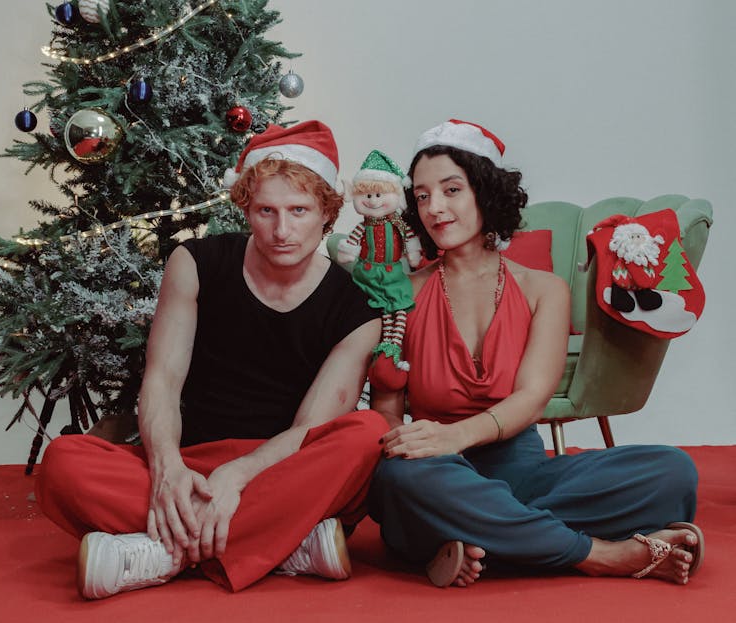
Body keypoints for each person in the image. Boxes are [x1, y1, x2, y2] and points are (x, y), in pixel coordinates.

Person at [35, 120, 387, 599]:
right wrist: (167, 471)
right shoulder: (196, 262)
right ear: (245, 208)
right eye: (266, 210)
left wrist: (238, 476)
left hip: (282, 468)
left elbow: (309, 430)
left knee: (369, 437)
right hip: (192, 465)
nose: (282, 230)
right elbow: (161, 380)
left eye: (298, 211)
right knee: (63, 462)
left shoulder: (357, 308)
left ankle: (162, 553)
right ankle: (285, 545)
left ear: (327, 212)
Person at [367, 119, 704, 588]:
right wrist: (428, 452)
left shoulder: (544, 288)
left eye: (450, 190)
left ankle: (473, 538)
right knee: (400, 484)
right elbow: (385, 418)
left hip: (522, 472)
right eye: (422, 196)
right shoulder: (402, 292)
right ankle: (596, 554)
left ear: (484, 191)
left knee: (671, 471)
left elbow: (531, 398)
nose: (435, 208)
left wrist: (457, 437)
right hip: (438, 473)